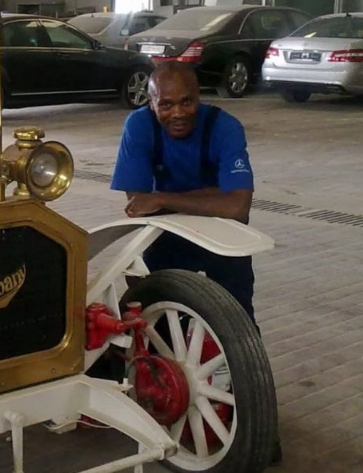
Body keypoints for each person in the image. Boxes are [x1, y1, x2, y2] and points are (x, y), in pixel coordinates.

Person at [110, 61, 258, 322]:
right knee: (154, 320)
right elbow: (138, 204)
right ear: (151, 103)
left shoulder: (225, 127)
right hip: (168, 235)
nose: (178, 113)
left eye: (186, 102)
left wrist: (163, 198)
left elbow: (237, 208)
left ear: (199, 97)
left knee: (237, 321)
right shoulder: (139, 125)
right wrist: (213, 195)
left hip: (223, 236)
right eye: (166, 105)